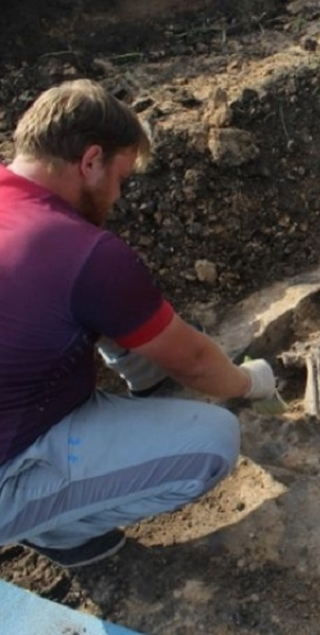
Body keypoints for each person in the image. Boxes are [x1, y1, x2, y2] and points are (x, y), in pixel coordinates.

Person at [0, 79, 278, 568]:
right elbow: (193, 361)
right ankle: (60, 528)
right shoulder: (81, 252)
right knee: (213, 441)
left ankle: (139, 393)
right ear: (90, 161)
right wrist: (250, 382)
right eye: (120, 178)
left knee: (103, 308)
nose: (120, 196)